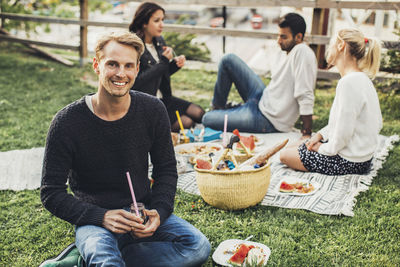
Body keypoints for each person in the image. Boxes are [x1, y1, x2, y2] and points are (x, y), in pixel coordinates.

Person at [40, 31, 211, 267]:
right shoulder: (66, 122)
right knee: (105, 257)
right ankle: (102, 257)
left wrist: (159, 212)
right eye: (112, 64)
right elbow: (51, 193)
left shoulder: (153, 110)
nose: (121, 73)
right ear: (96, 65)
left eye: (128, 65)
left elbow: (166, 170)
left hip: (141, 211)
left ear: (137, 68)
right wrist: (101, 216)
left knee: (198, 247)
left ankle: (87, 261)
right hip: (95, 219)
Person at [280, 28, 382, 176]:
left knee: (284, 155)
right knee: (298, 144)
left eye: (332, 44)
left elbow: (343, 133)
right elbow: (343, 122)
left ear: (341, 45)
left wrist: (321, 148)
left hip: (348, 162)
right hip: (362, 159)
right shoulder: (361, 79)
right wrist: (320, 136)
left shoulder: (348, 83)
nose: (329, 48)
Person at [202, 13, 317, 137]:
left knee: (207, 119)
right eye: (278, 35)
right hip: (262, 98)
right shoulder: (286, 51)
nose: (279, 41)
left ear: (298, 37)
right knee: (228, 60)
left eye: (284, 37)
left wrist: (307, 132)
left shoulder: (302, 52)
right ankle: (219, 108)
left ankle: (227, 111)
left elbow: (305, 94)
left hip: (266, 119)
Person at [129, 2, 205, 132]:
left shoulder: (159, 41)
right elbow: (137, 82)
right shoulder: (134, 46)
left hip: (164, 98)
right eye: (156, 20)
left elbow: (160, 74)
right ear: (144, 23)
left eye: (162, 20)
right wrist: (164, 61)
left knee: (199, 113)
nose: (161, 24)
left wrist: (175, 65)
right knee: (187, 122)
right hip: (148, 104)